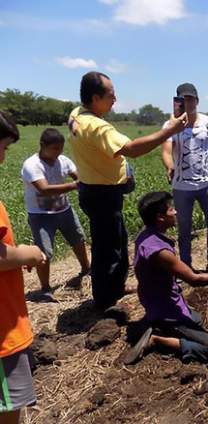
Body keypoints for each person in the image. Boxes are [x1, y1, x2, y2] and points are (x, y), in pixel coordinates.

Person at [68, 71, 187, 311]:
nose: (115, 99)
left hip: (93, 189)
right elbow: (131, 149)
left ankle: (115, 287)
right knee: (108, 250)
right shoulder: (98, 127)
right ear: (95, 97)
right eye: (111, 95)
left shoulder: (76, 114)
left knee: (115, 242)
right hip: (103, 195)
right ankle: (106, 301)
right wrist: (169, 131)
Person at [123, 192, 208, 365]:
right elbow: (194, 279)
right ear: (160, 218)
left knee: (197, 319)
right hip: (165, 308)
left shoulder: (146, 237)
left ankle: (159, 324)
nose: (176, 212)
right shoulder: (160, 252)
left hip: (155, 300)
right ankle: (157, 339)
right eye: (171, 210)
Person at [0, 111, 47, 424]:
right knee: (9, 412)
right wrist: (28, 253)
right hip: (3, 333)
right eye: (2, 148)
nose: (3, 159)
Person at [161, 83, 208, 273]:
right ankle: (186, 267)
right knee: (184, 228)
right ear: (177, 101)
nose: (187, 103)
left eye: (191, 99)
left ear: (197, 101)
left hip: (206, 184)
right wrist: (169, 165)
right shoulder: (171, 124)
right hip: (181, 186)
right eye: (183, 99)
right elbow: (165, 150)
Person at [21, 128, 89, 301]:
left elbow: (78, 175)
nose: (58, 152)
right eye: (54, 149)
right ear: (42, 146)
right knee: (44, 252)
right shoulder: (32, 165)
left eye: (60, 148)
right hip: (40, 215)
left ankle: (86, 270)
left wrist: (84, 179)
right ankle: (45, 289)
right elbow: (44, 190)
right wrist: (76, 185)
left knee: (78, 240)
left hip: (64, 210)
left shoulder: (63, 160)